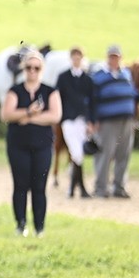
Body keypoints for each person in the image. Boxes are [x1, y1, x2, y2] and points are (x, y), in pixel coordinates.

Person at [0, 50, 62, 236]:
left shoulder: (50, 91)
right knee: (20, 185)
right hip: (18, 145)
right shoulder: (15, 91)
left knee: (39, 187)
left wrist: (29, 118)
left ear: (42, 69)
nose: (32, 71)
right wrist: (27, 112)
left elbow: (55, 115)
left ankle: (39, 227)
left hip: (42, 146)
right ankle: (21, 224)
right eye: (29, 67)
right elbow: (6, 115)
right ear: (24, 69)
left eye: (36, 68)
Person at [89, 44, 139, 198]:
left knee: (123, 154)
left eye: (116, 57)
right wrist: (93, 120)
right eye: (111, 56)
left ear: (120, 58)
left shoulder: (126, 74)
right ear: (107, 58)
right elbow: (93, 100)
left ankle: (119, 187)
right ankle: (101, 187)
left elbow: (133, 93)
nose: (114, 59)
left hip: (127, 120)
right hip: (107, 122)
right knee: (105, 154)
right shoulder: (99, 76)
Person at [54, 46, 94, 198]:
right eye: (74, 57)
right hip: (68, 119)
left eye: (79, 58)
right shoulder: (63, 77)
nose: (77, 60)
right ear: (71, 59)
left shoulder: (87, 79)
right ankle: (80, 188)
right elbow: (57, 97)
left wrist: (91, 121)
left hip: (82, 120)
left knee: (78, 154)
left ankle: (73, 188)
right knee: (76, 152)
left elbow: (92, 102)